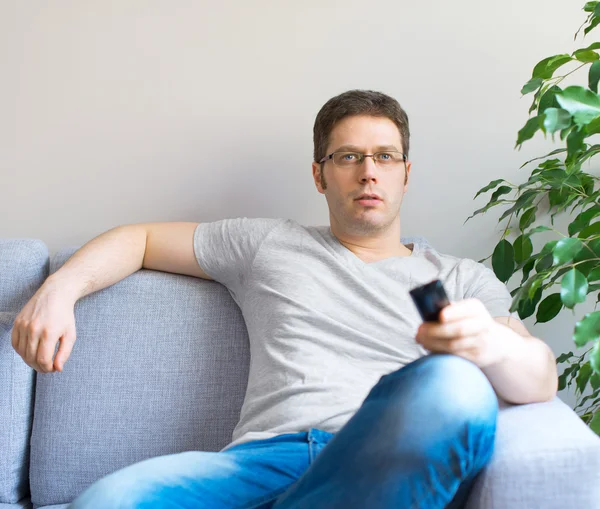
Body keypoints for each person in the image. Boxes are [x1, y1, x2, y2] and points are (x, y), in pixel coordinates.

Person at [12, 89, 558, 509]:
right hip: (260, 462)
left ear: (405, 174)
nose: (368, 171)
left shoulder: (460, 278)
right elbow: (140, 239)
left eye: (385, 157)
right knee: (106, 501)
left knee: (456, 383)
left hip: (375, 462)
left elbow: (538, 379)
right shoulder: (267, 244)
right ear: (319, 176)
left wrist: (487, 344)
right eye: (348, 156)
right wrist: (57, 290)